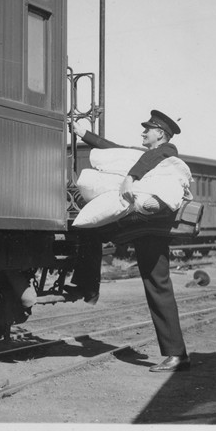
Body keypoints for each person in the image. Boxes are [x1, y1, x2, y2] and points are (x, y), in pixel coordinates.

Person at [67, 110, 190, 372]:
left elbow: (151, 158)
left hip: (151, 230)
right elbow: (116, 151)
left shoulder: (167, 152)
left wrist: (130, 177)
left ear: (161, 134)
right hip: (139, 227)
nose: (144, 133)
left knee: (158, 284)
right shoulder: (148, 156)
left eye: (148, 129)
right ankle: (88, 286)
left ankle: (177, 354)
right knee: (90, 231)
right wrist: (83, 134)